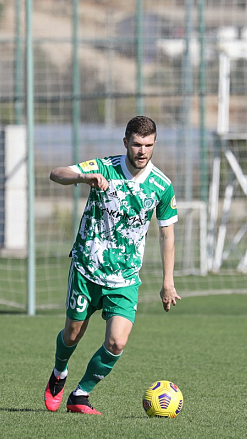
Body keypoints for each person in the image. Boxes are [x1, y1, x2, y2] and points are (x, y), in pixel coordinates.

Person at [44, 116, 180, 415]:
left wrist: (168, 282)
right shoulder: (104, 167)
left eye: (148, 145)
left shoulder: (161, 186)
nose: (142, 151)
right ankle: (59, 373)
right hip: (87, 268)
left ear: (154, 144)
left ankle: (80, 395)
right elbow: (57, 174)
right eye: (137, 144)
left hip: (125, 278)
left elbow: (167, 233)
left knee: (117, 342)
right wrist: (84, 178)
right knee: (72, 334)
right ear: (126, 142)